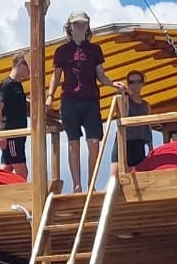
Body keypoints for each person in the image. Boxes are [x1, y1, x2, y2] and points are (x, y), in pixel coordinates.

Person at [45, 11, 125, 192]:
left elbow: (100, 75)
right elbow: (55, 76)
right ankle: (77, 184)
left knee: (94, 141)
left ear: (87, 26)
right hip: (70, 100)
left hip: (90, 99)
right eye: (76, 24)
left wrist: (113, 84)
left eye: (83, 23)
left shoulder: (94, 50)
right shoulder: (62, 51)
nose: (79, 27)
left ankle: (91, 183)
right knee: (73, 142)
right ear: (70, 27)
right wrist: (50, 95)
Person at [0, 52, 30, 178]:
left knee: (6, 168)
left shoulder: (18, 85)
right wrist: (1, 132)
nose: (30, 70)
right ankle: (23, 196)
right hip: (12, 134)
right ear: (20, 64)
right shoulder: (7, 85)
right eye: (28, 66)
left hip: (18, 135)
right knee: (21, 171)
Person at [110, 70, 153, 175]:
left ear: (142, 83)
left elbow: (148, 126)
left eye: (138, 81)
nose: (135, 85)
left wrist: (151, 147)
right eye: (132, 82)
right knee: (115, 177)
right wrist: (121, 91)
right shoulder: (125, 100)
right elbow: (121, 109)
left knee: (137, 177)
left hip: (138, 144)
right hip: (124, 141)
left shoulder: (146, 105)